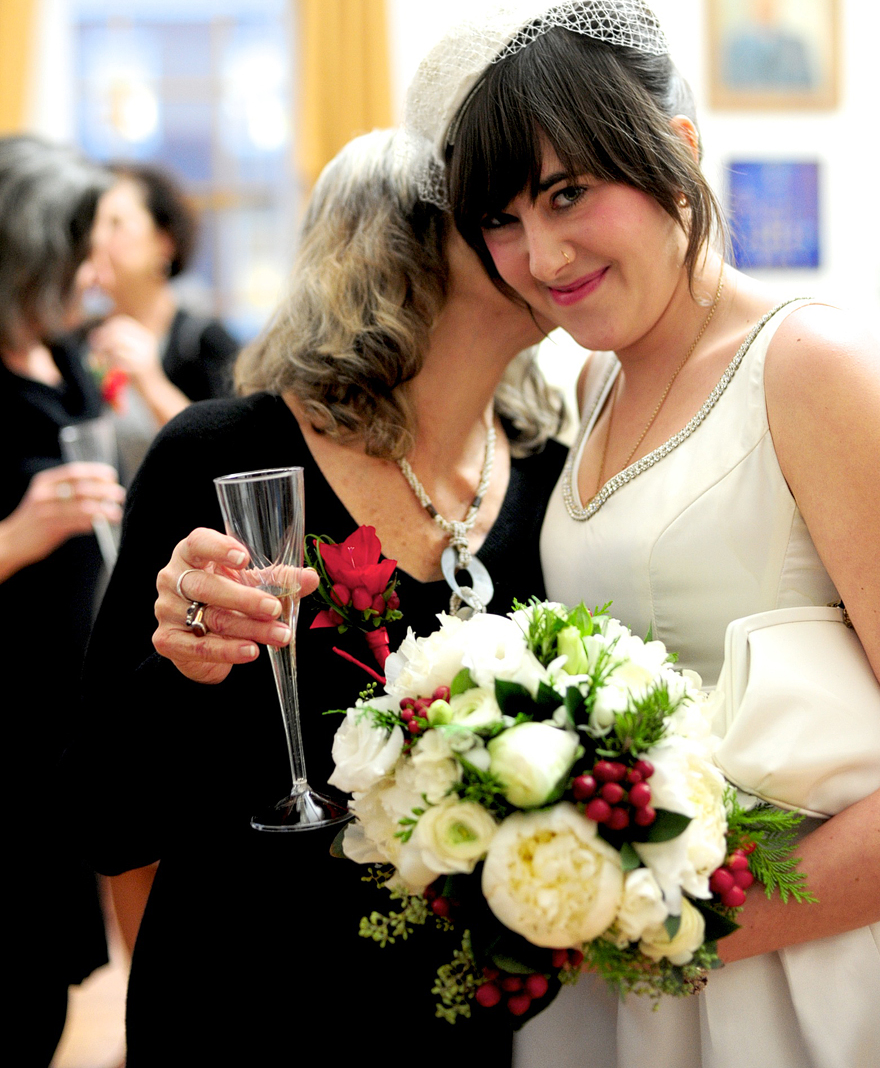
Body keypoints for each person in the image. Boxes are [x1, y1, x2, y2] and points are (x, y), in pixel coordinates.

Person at [403, 0, 880, 1068]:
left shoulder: (811, 366)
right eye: (501, 218)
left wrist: (701, 930)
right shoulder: (591, 385)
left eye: (568, 192)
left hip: (806, 972)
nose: (538, 254)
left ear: (677, 148)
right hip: (642, 982)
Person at [70, 129, 567, 1067]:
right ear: (409, 250)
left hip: (468, 1023)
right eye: (502, 215)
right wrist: (186, 664)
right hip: (245, 1012)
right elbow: (105, 814)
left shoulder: (550, 474)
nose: (547, 242)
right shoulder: (220, 454)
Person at [0, 135, 125, 1066]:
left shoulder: (55, 350)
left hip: (52, 723)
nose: (99, 269)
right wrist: (15, 535)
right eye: (81, 248)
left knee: (38, 982)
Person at [84, 163, 238, 484]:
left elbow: (232, 459)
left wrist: (151, 383)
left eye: (116, 224)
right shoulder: (76, 340)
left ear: (164, 241)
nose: (98, 240)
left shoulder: (205, 343)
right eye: (93, 225)